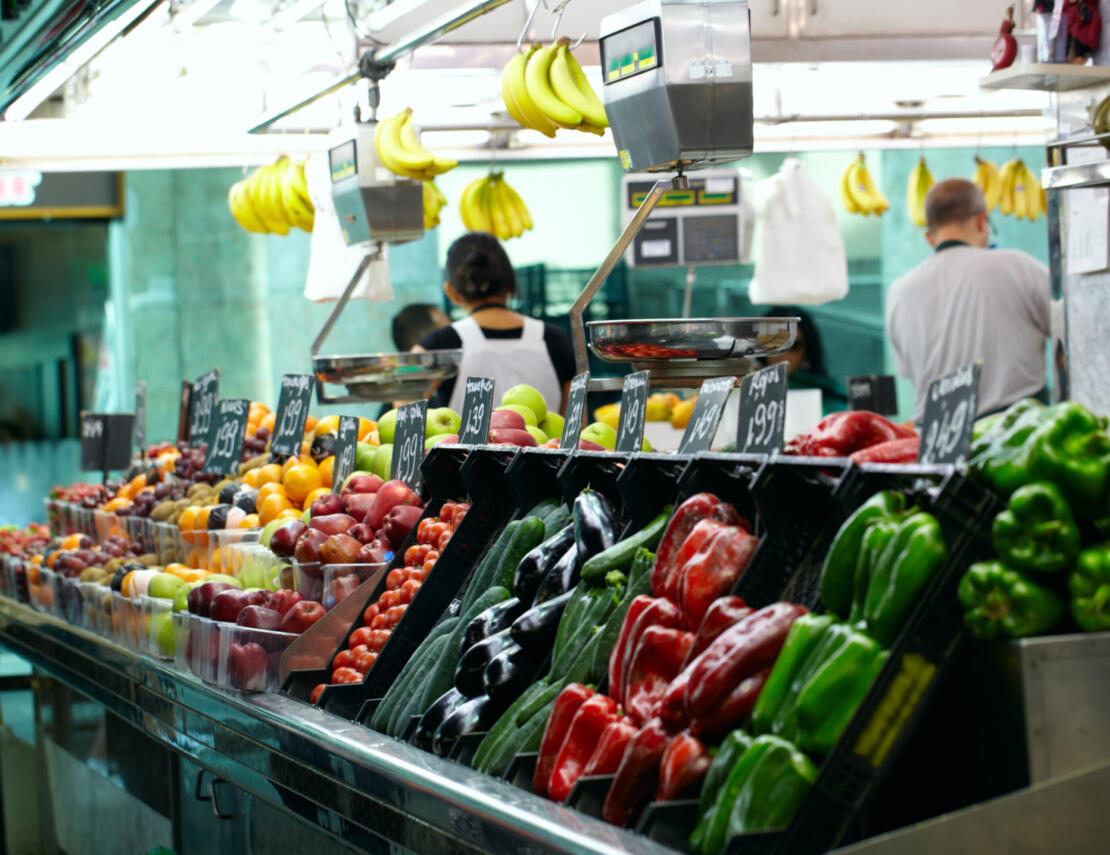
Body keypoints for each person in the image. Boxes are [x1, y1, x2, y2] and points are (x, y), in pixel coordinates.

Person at [886, 178, 1050, 422]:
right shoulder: (1020, 268)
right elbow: (1072, 339)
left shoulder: (899, 291)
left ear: (929, 238)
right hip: (1014, 435)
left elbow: (909, 372)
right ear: (982, 221)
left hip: (936, 442)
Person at [413, 232, 574, 413]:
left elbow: (403, 418)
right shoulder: (557, 341)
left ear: (451, 291)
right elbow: (577, 430)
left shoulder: (437, 345)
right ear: (511, 283)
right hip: (549, 443)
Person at [761, 305, 847, 411]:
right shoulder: (748, 388)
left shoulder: (829, 396)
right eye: (774, 343)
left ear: (807, 349)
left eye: (792, 345)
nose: (781, 352)